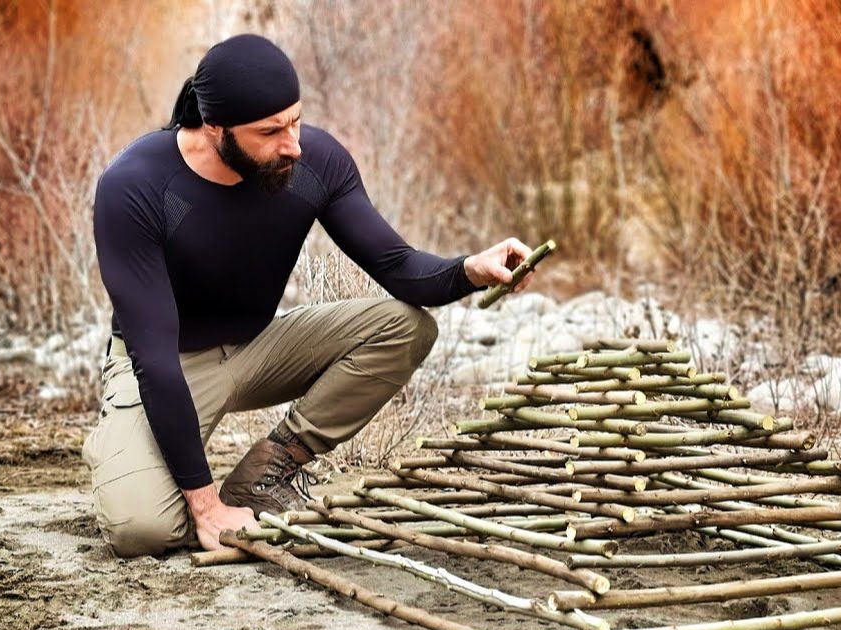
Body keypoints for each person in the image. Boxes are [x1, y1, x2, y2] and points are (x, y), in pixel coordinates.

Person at [84, 33, 532, 558]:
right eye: (270, 131)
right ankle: (123, 448)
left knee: (405, 327)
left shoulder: (313, 162)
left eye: (295, 121)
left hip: (258, 348)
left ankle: (266, 472)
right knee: (142, 531)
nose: (293, 144)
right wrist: (205, 508)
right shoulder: (136, 186)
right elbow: (156, 360)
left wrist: (471, 269)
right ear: (214, 127)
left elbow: (398, 268)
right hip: (164, 364)